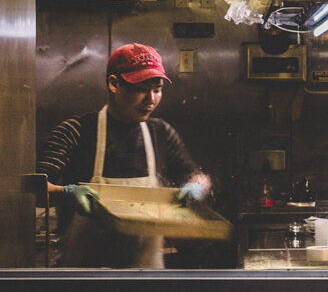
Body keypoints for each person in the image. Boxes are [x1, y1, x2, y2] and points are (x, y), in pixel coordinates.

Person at [37, 43, 212, 268]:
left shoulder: (161, 133)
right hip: (83, 277)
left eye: (157, 89)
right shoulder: (76, 131)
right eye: (141, 89)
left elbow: (196, 175)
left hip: (144, 276)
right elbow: (36, 188)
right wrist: (67, 193)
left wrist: (195, 188)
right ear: (114, 84)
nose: (151, 99)